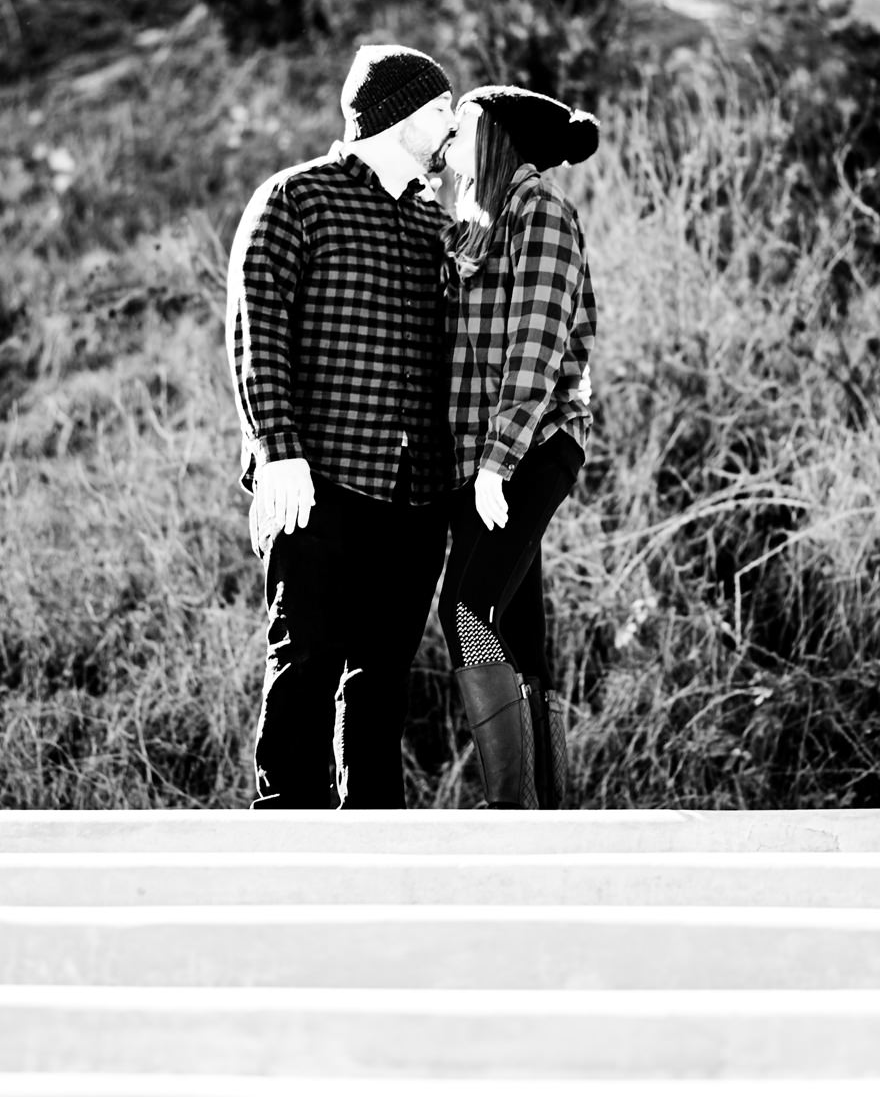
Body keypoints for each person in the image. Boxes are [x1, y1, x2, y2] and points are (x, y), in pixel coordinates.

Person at [225, 43, 458, 808]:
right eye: (440, 107)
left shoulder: (436, 224)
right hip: (317, 484)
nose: (453, 120)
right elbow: (256, 327)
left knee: (382, 680)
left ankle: (375, 843)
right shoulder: (296, 198)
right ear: (396, 114)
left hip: (415, 493)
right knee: (307, 659)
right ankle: (287, 835)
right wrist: (276, 450)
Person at [438, 85, 599, 809]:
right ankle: (546, 808)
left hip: (531, 447)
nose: (451, 137)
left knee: (468, 610)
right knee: (518, 627)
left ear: (497, 136)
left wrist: (497, 462)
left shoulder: (543, 213)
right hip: (489, 459)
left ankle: (512, 806)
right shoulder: (483, 223)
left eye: (463, 125)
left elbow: (535, 348)